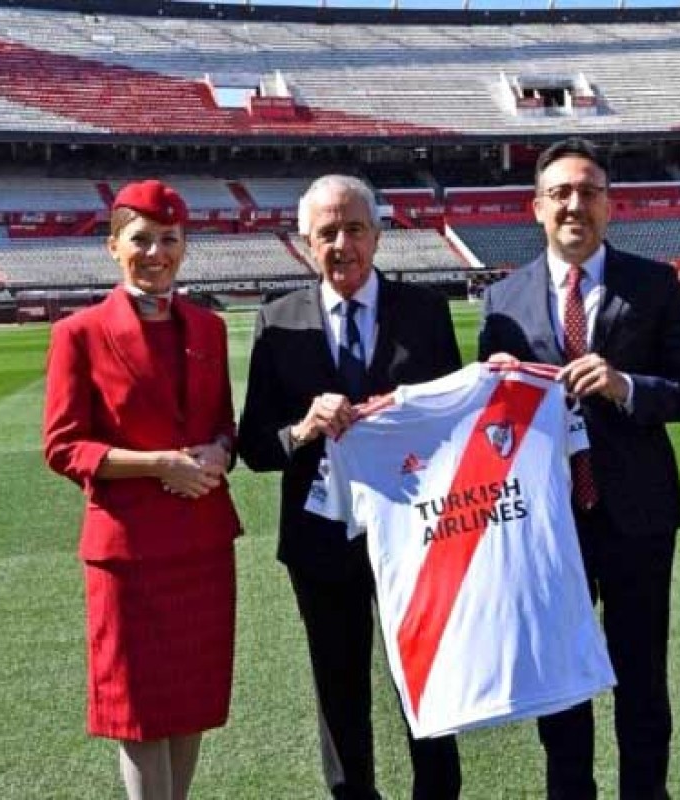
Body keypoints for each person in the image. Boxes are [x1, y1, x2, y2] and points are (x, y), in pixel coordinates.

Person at [478, 137, 680, 800]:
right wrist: (498, 390)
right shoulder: (502, 300)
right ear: (537, 207)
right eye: (561, 193)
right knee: (560, 681)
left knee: (643, 676)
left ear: (609, 204)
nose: (575, 205)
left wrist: (624, 384)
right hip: (549, 521)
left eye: (589, 192)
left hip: (638, 514)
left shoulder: (654, 284)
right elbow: (493, 427)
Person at [237, 175, 462, 800]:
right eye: (328, 233)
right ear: (306, 243)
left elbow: (455, 423)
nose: (343, 245)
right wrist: (303, 428)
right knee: (338, 690)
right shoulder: (278, 321)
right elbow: (255, 445)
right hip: (319, 542)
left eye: (355, 229)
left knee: (426, 679)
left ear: (378, 235)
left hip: (415, 536)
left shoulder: (426, 311)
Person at [43, 179, 242, 800]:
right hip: (128, 553)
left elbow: (225, 425)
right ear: (113, 246)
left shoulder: (208, 328)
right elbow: (63, 446)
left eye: (170, 240)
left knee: (191, 699)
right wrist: (158, 464)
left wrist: (220, 451)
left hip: (203, 542)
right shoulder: (78, 333)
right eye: (142, 240)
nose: (157, 253)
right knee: (138, 707)